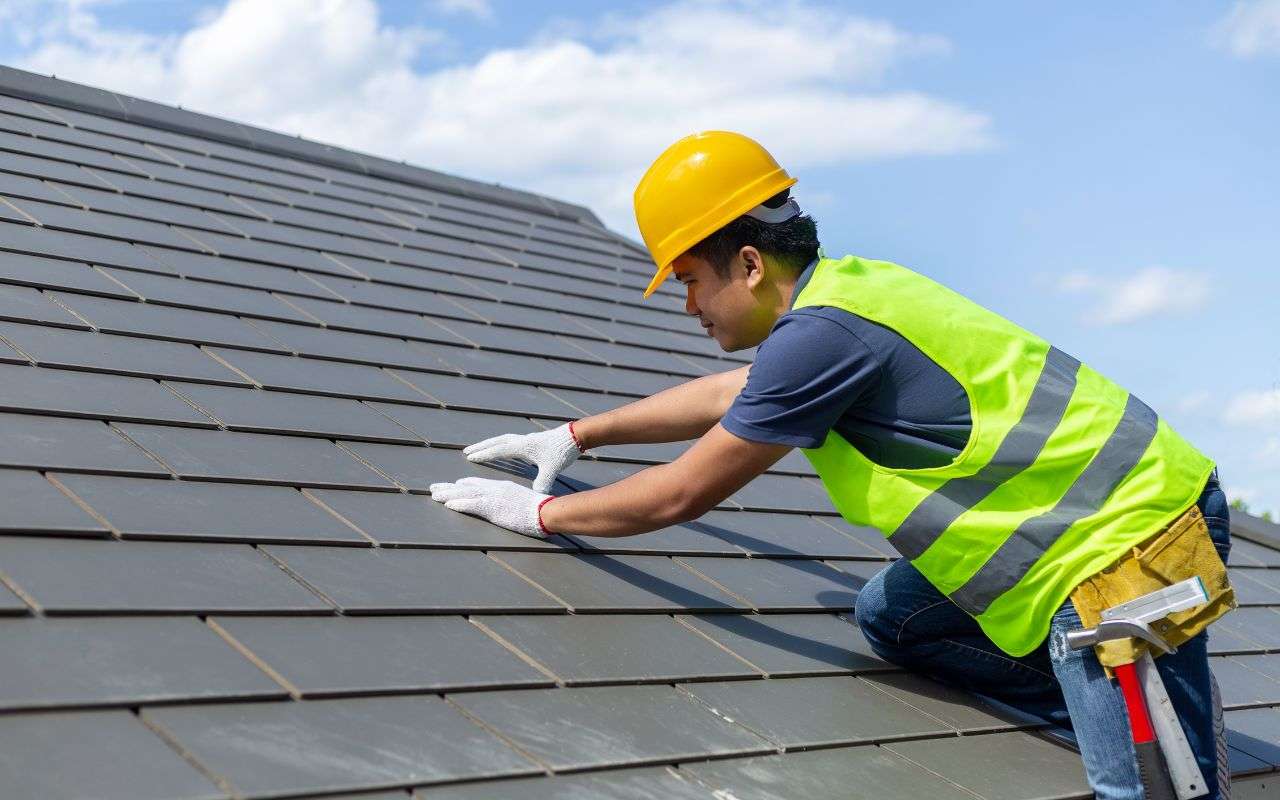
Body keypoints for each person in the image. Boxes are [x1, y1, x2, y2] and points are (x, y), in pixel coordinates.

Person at [429, 131, 1234, 799]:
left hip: (1128, 553)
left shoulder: (822, 336)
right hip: (1085, 530)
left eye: (691, 282)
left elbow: (681, 493)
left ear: (748, 265)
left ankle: (1148, 721)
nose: (688, 307)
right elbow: (728, 395)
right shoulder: (843, 298)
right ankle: (1110, 698)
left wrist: (539, 515)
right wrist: (577, 436)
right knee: (895, 614)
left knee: (1154, 791)